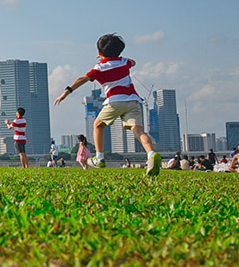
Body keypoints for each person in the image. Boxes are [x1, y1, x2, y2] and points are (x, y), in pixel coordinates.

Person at [54, 33, 162, 177]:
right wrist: (123, 59)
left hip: (115, 101)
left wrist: (66, 92)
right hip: (133, 101)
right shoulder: (124, 62)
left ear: (99, 53)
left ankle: (99, 158)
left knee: (98, 125)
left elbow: (82, 79)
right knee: (139, 131)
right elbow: (133, 62)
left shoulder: (99, 68)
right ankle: (151, 154)